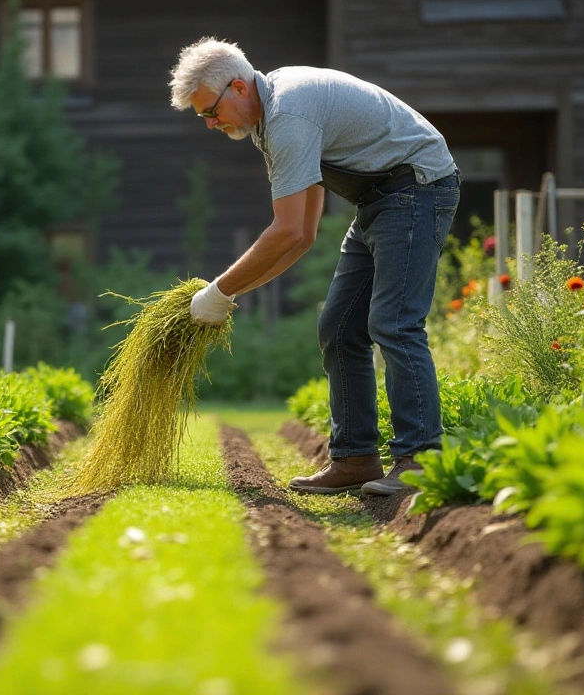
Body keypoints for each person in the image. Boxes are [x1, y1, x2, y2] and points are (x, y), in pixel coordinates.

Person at [171, 37, 459, 496]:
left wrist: (218, 291)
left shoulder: (288, 115)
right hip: (379, 201)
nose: (210, 124)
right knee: (340, 327)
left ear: (240, 88)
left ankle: (422, 459)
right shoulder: (269, 121)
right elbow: (302, 234)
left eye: (211, 111)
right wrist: (230, 294)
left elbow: (285, 232)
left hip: (417, 187)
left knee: (396, 322)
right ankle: (356, 459)